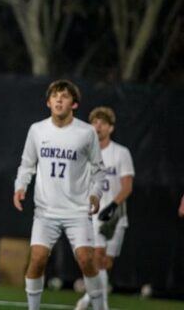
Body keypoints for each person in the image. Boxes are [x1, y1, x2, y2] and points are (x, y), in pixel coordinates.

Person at [14, 79, 107, 310]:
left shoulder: (86, 133)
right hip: (46, 211)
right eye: (55, 95)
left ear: (74, 104)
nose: (58, 99)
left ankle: (99, 307)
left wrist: (95, 193)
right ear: (48, 102)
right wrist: (20, 186)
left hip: (77, 210)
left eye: (64, 96)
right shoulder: (37, 130)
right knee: (36, 259)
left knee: (86, 259)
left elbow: (98, 170)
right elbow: (27, 164)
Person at [74, 107, 134, 310]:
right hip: (93, 215)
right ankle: (103, 307)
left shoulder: (121, 153)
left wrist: (113, 205)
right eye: (95, 122)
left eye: (103, 123)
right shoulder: (85, 153)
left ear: (111, 128)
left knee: (105, 263)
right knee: (97, 256)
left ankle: (87, 300)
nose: (98, 126)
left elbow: (127, 186)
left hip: (116, 216)